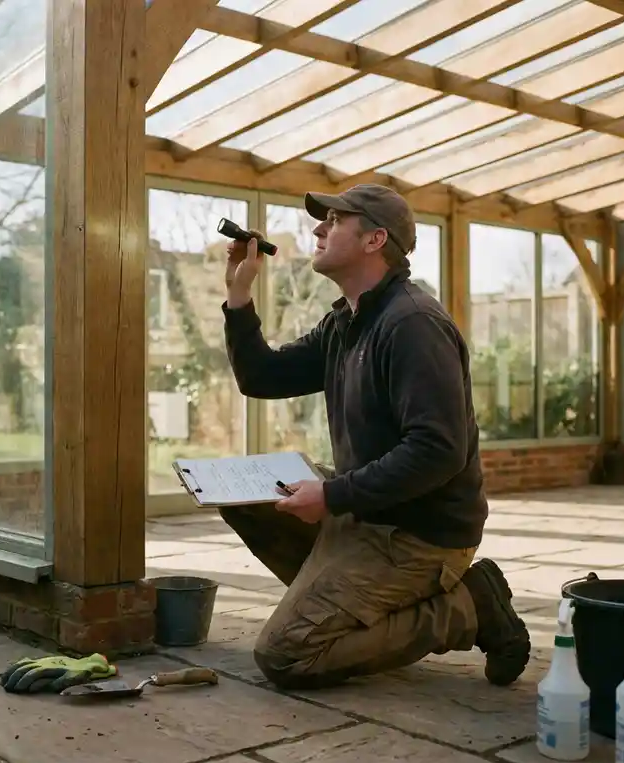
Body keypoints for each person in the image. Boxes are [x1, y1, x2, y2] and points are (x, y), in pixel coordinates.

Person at [218, 183, 530, 691]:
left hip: (417, 535)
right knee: (241, 495)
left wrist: (334, 494)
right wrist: (239, 295)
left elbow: (437, 449)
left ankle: (467, 606)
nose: (319, 229)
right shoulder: (347, 321)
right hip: (366, 513)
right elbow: (263, 377)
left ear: (374, 239)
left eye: (335, 221)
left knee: (286, 654)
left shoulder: (412, 324)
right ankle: (338, 595)